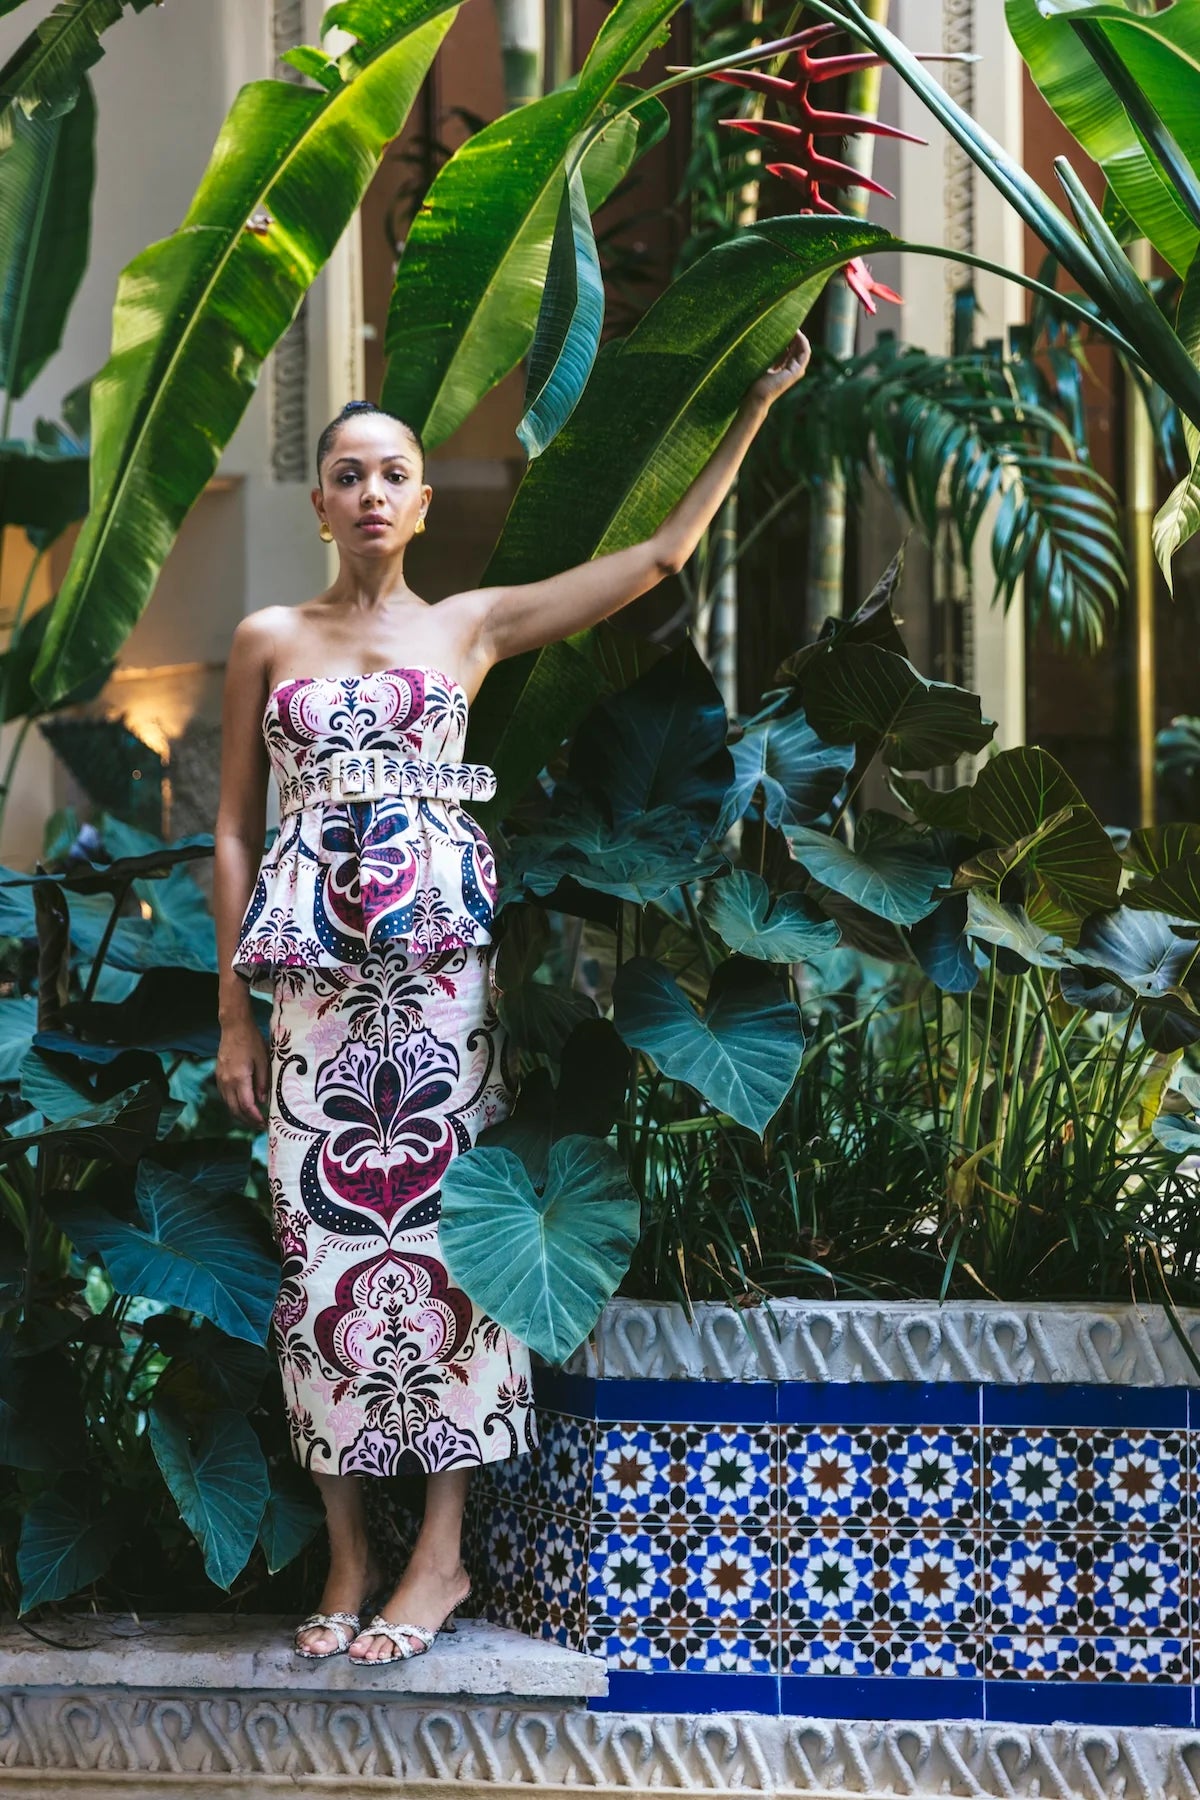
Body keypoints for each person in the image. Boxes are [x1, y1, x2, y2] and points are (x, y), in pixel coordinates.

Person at [212, 327, 812, 1667]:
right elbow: (235, 836)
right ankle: (349, 1552)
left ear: (425, 505)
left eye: (396, 475)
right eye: (349, 474)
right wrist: (232, 1013)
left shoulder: (470, 626)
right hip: (311, 1004)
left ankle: (438, 1556)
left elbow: (656, 562)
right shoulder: (266, 636)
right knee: (319, 1266)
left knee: (446, 1266)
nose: (372, 493)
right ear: (318, 504)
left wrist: (756, 401)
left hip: (434, 998)